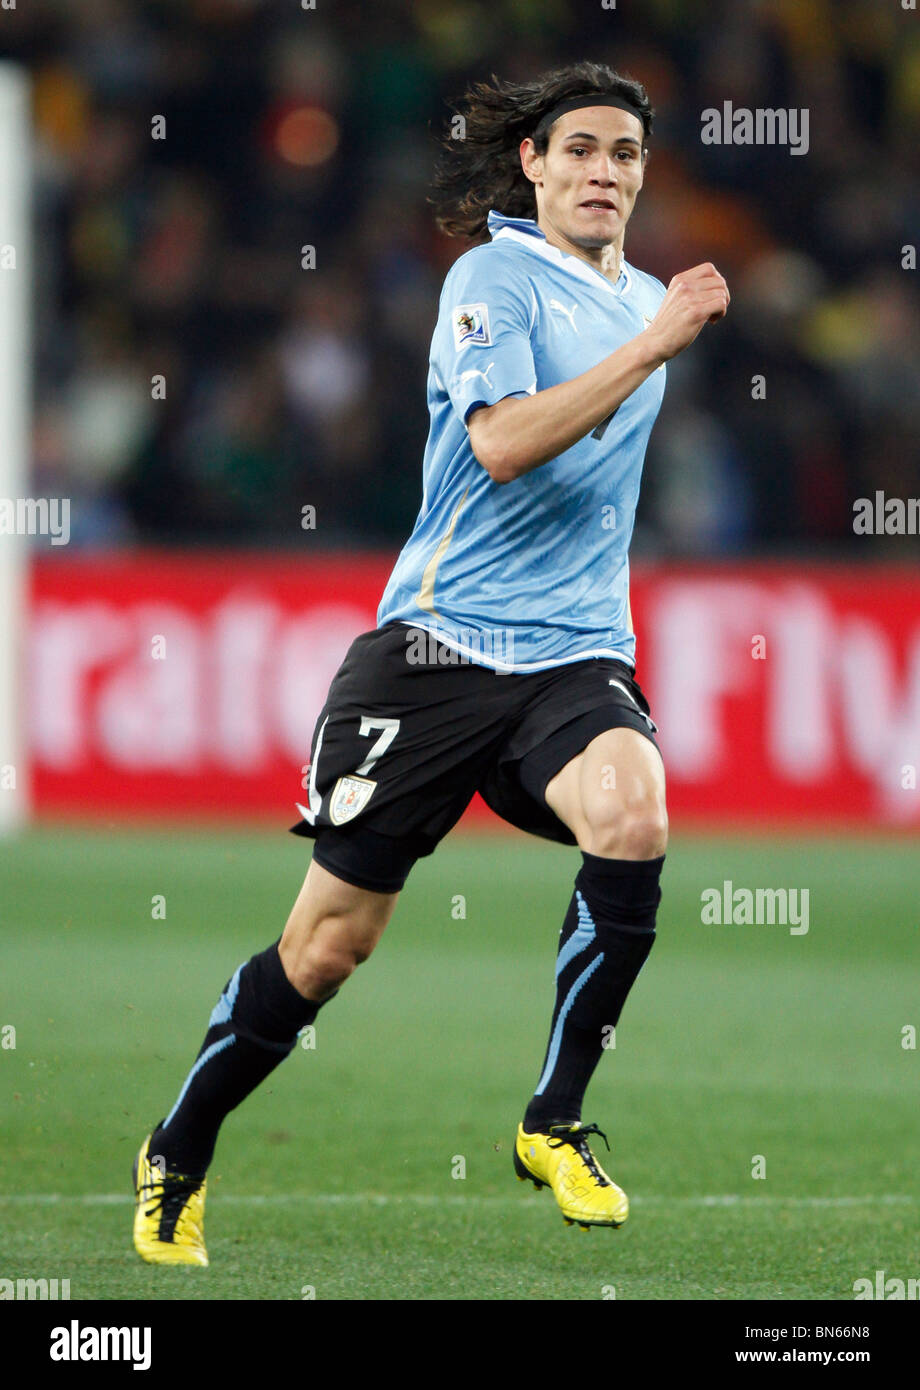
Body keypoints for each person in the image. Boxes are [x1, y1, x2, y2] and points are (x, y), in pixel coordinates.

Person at [132, 60, 729, 1265]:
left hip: (571, 653)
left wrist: (654, 330)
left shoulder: (650, 295)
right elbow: (502, 445)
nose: (602, 172)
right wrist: (657, 343)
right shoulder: (492, 279)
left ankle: (552, 1119)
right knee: (326, 951)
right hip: (435, 652)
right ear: (533, 164)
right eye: (579, 151)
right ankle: (178, 1146)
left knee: (632, 812)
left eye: (623, 154)